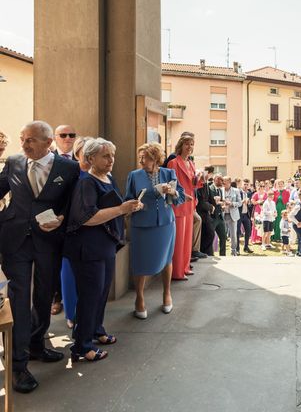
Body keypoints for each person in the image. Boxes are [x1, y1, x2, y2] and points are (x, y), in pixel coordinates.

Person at [0, 121, 80, 393]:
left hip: (49, 241)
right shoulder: (13, 162)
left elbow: (73, 204)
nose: (23, 145)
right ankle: (17, 366)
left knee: (44, 296)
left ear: (49, 143)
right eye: (22, 139)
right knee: (19, 301)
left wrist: (61, 219)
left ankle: (36, 345)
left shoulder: (69, 168)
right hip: (15, 240)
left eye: (30, 140)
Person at [65, 138, 140, 363]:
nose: (111, 160)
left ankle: (96, 331)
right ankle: (81, 346)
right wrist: (121, 209)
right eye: (105, 156)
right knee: (90, 296)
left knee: (100, 293)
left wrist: (131, 207)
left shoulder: (108, 178)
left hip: (105, 245)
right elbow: (86, 218)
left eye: (112, 155)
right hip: (88, 248)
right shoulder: (86, 183)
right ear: (90, 159)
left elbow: (114, 210)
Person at [125, 143, 184, 319]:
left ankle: (167, 294)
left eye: (146, 158)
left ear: (156, 159)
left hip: (166, 223)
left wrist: (172, 191)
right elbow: (127, 199)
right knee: (140, 261)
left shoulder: (168, 173)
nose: (142, 161)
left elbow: (179, 195)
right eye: (140, 157)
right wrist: (135, 205)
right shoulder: (134, 176)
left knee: (167, 258)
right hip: (141, 224)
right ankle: (139, 298)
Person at [60, 136, 92, 330]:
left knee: (90, 279)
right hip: (71, 233)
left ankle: (89, 315)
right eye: (85, 154)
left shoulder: (102, 175)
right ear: (77, 154)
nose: (89, 158)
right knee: (69, 275)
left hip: (95, 235)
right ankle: (71, 314)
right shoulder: (69, 175)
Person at [50, 124, 78, 315]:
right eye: (63, 135)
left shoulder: (81, 159)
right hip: (52, 221)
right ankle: (56, 298)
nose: (68, 138)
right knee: (54, 262)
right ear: (55, 137)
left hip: (74, 221)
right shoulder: (48, 159)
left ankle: (72, 301)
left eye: (71, 135)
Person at [167, 135, 202, 279]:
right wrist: (179, 196)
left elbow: (193, 185)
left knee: (187, 239)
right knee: (179, 240)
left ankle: (185, 267)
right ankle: (177, 272)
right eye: (187, 144)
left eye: (192, 144)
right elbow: (171, 185)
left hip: (190, 203)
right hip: (179, 204)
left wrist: (199, 179)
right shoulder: (173, 163)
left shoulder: (191, 163)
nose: (189, 147)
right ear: (181, 145)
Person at [221, 176, 242, 256]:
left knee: (233, 235)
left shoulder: (236, 191)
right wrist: (222, 205)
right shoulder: (220, 190)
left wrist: (232, 203)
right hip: (222, 215)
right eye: (223, 182)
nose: (224, 183)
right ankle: (222, 252)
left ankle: (234, 251)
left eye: (225, 182)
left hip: (232, 215)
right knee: (223, 235)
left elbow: (239, 203)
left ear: (229, 182)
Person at [237, 179, 254, 253]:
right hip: (239, 215)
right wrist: (242, 201)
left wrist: (249, 203)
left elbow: (250, 205)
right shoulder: (238, 192)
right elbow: (236, 203)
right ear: (242, 184)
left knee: (248, 231)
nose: (246, 186)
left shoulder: (250, 193)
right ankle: (237, 249)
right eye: (245, 184)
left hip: (246, 215)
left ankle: (246, 247)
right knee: (237, 232)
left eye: (247, 184)